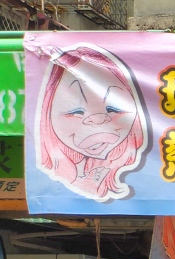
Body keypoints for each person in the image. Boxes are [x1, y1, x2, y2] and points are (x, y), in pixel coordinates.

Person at [36, 44, 147, 201]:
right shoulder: (50, 176)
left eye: (114, 109)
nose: (97, 120)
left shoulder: (140, 171)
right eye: (75, 111)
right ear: (47, 113)